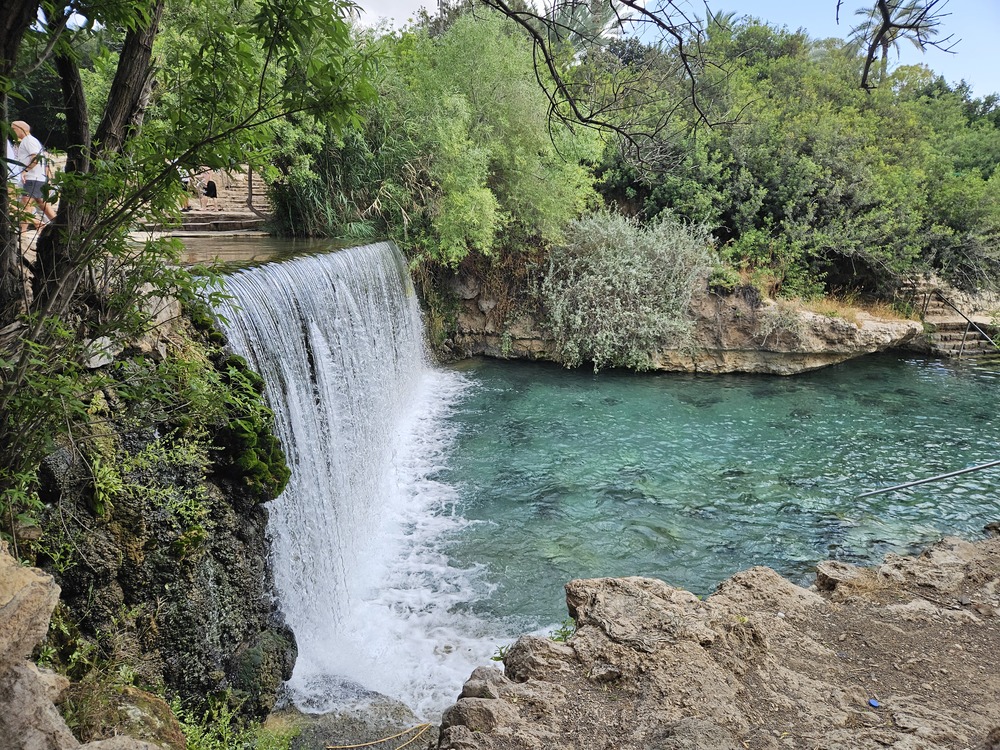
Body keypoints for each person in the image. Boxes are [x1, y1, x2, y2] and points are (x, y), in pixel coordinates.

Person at [11, 120, 56, 230]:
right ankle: (59, 226)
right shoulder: (29, 141)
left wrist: (25, 171)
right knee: (42, 205)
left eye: (13, 129)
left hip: (32, 178)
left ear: (21, 129)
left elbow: (35, 158)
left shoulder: (28, 141)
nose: (12, 132)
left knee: (27, 206)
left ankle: (23, 233)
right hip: (36, 178)